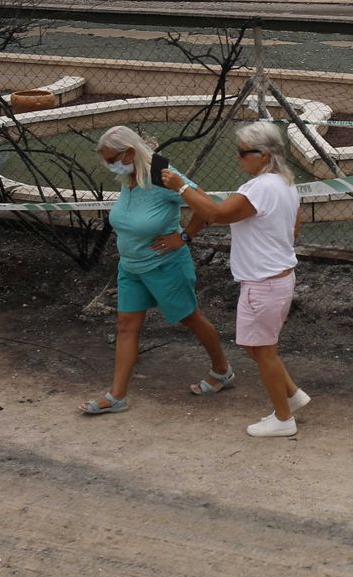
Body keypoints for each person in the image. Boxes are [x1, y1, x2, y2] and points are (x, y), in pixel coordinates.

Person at [163, 120, 308, 438]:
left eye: (243, 153)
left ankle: (283, 419)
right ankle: (292, 395)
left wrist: (182, 188)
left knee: (263, 350)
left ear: (264, 154)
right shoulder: (284, 183)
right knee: (253, 345)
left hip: (264, 281)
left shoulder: (259, 188)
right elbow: (293, 226)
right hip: (275, 277)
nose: (238, 158)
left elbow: (215, 215)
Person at [81, 125, 233, 415]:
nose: (109, 164)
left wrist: (185, 236)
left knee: (191, 318)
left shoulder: (162, 173)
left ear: (129, 152)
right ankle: (117, 396)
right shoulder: (127, 174)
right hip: (131, 266)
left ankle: (222, 370)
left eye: (112, 158)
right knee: (126, 325)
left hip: (165, 264)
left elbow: (206, 205)